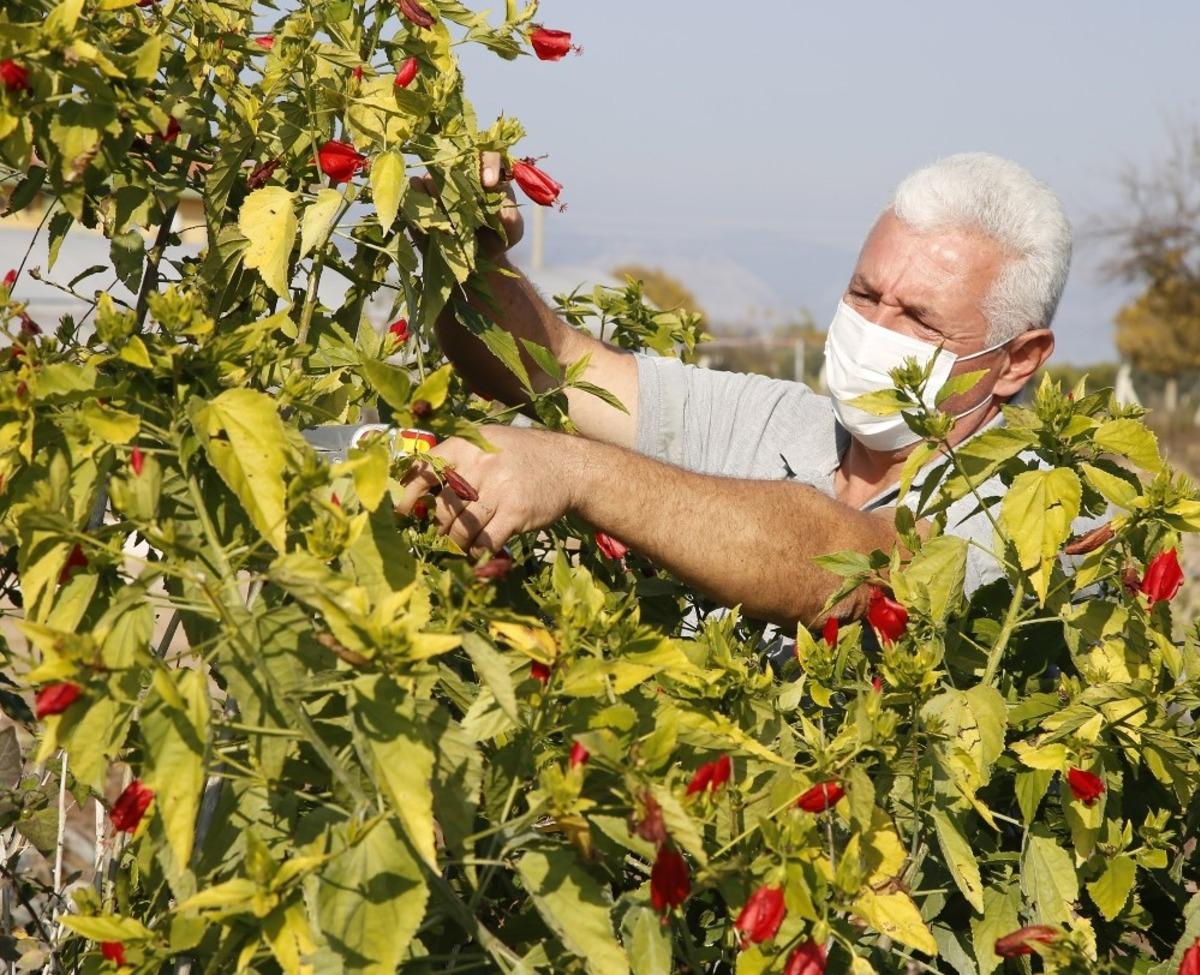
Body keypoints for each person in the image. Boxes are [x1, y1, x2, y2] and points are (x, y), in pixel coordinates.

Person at [395, 152, 1071, 630]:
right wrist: (471, 254)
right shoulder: (781, 420)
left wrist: (575, 472)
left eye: (920, 319)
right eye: (865, 295)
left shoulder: (1037, 507)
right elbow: (556, 368)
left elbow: (854, 567)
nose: (875, 330)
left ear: (1018, 361)